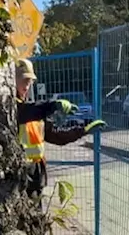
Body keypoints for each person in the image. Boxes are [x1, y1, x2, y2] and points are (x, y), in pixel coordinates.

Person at [14, 58, 103, 197]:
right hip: (18, 177)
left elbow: (56, 135)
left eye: (29, 81)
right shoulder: (12, 109)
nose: (27, 85)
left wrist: (83, 129)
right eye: (23, 80)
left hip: (36, 175)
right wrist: (53, 105)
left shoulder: (34, 113)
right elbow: (24, 111)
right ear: (12, 80)